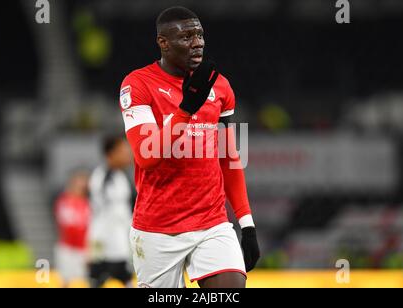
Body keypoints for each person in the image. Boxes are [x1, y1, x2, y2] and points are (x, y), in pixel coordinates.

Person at [118, 6, 260, 288]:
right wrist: (186, 110)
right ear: (163, 43)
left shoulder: (219, 87)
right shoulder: (138, 84)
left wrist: (247, 223)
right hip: (157, 229)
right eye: (186, 37)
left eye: (200, 35)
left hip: (212, 223)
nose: (197, 43)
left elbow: (229, 158)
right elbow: (146, 156)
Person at [88, 135, 134, 288]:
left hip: (120, 242)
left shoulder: (121, 176)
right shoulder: (102, 177)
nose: (128, 154)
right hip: (105, 243)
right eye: (123, 151)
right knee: (98, 280)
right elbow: (100, 213)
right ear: (111, 154)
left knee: (127, 279)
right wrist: (97, 249)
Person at [54, 169, 91, 287]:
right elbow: (66, 224)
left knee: (88, 280)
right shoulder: (64, 201)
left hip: (83, 248)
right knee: (65, 281)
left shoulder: (87, 203)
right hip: (67, 248)